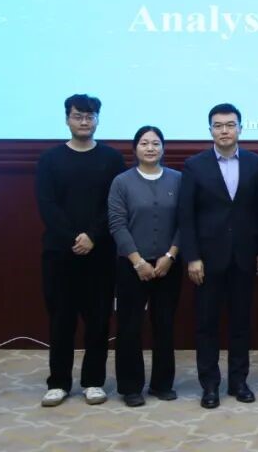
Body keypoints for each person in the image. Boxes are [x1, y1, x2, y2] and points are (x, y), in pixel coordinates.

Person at [35, 93, 125, 407]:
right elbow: (47, 204)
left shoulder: (112, 159)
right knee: (61, 320)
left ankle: (93, 381)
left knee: (98, 320)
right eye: (78, 116)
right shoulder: (50, 159)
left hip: (99, 254)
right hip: (59, 253)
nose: (84, 122)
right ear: (67, 119)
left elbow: (114, 205)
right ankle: (58, 382)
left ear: (97, 120)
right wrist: (74, 237)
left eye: (90, 116)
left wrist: (92, 237)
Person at [177, 103, 258, 409]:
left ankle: (239, 382)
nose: (224, 130)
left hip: (244, 256)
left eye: (230, 125)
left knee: (241, 323)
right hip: (207, 259)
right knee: (207, 324)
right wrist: (192, 257)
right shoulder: (195, 165)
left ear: (241, 128)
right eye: (218, 125)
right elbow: (186, 215)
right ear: (210, 130)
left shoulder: (256, 163)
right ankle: (210, 385)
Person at [107, 125, 182, 407]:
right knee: (129, 326)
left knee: (164, 324)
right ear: (135, 148)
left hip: (168, 265)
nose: (150, 148)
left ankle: (162, 384)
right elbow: (117, 223)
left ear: (163, 148)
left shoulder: (178, 179)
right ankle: (130, 387)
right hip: (131, 265)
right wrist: (137, 261)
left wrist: (170, 256)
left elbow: (185, 222)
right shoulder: (122, 182)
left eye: (156, 143)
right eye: (144, 143)